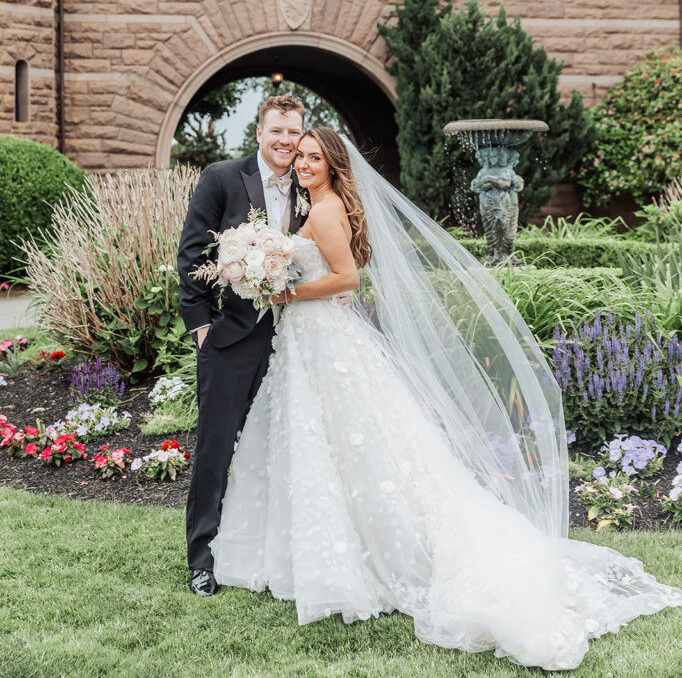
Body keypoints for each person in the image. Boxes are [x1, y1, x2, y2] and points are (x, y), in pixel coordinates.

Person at [207, 127, 682, 671]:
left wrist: (282, 290)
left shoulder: (325, 210)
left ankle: (374, 555)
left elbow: (347, 279)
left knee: (348, 440)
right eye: (303, 158)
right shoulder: (314, 207)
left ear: (335, 165)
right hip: (312, 340)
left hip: (325, 338)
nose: (306, 164)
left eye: (316, 157)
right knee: (326, 440)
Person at [177, 94, 307, 597]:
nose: (285, 141)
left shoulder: (310, 182)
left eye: (294, 132)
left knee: (278, 446)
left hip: (293, 338)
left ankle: (265, 550)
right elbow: (192, 252)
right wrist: (199, 326)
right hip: (230, 337)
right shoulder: (222, 177)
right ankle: (202, 557)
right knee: (215, 448)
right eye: (277, 130)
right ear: (259, 132)